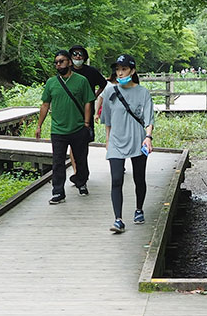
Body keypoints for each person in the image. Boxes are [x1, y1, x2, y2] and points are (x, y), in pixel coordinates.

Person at [99, 53, 155, 233]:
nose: (120, 73)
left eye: (124, 69)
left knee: (139, 178)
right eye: (117, 70)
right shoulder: (110, 91)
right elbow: (106, 118)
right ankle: (118, 219)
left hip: (138, 140)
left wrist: (148, 137)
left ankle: (139, 209)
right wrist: (107, 140)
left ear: (132, 70)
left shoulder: (143, 92)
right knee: (116, 179)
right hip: (116, 141)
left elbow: (149, 118)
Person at [34, 50, 93, 204]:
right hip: (58, 130)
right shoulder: (51, 83)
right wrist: (39, 125)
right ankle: (58, 192)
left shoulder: (81, 81)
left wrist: (86, 123)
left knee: (81, 159)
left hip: (78, 127)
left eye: (62, 61)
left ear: (69, 62)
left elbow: (88, 102)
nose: (58, 64)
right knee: (58, 161)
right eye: (56, 62)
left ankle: (81, 182)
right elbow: (45, 104)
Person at [67, 45, 107, 184]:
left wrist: (94, 96)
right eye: (75, 54)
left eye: (81, 54)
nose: (78, 57)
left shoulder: (91, 72)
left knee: (83, 143)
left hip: (87, 113)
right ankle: (77, 172)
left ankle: (83, 170)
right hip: (70, 113)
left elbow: (104, 84)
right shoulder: (67, 72)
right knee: (72, 143)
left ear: (84, 57)